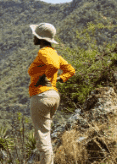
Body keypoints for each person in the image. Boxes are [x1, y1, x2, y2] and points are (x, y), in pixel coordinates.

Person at [27, 22, 75, 164]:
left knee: (42, 137)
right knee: (46, 135)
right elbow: (70, 70)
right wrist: (59, 79)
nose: (33, 37)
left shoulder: (43, 52)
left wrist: (45, 77)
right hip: (53, 95)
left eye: (35, 35)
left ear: (41, 39)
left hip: (41, 96)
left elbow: (53, 66)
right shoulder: (54, 53)